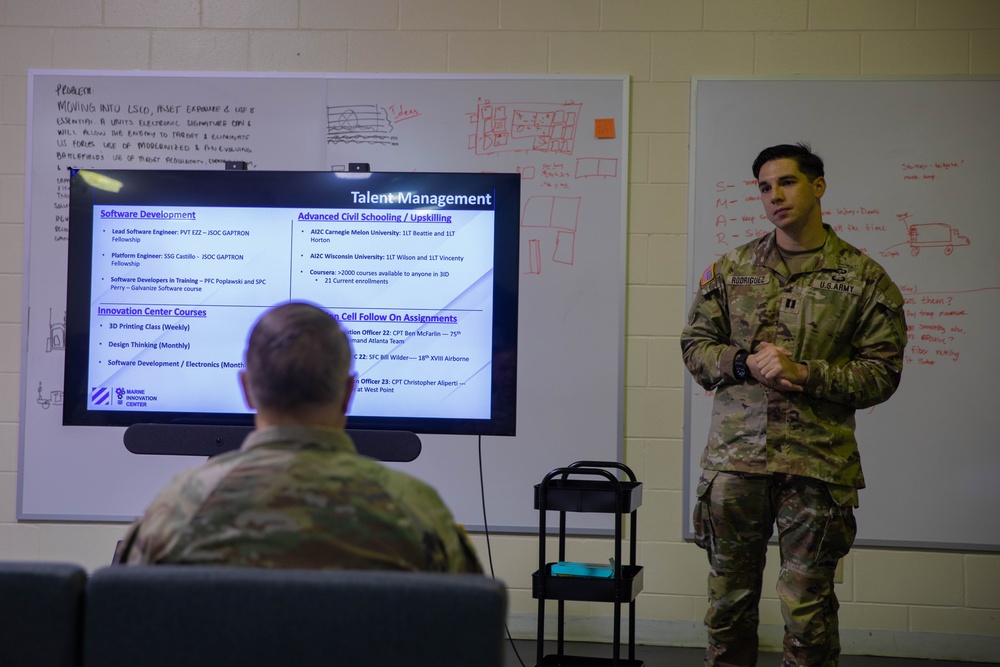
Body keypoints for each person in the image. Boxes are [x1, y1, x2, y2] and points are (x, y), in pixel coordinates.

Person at [681, 143, 906, 666]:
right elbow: (695, 348)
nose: (774, 196)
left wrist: (804, 373)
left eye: (787, 182)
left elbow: (882, 374)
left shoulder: (863, 279)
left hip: (817, 466)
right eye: (764, 187)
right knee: (727, 607)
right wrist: (742, 364)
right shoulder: (733, 269)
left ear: (817, 186)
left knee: (808, 612)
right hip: (736, 463)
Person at [119, 301, 482, 573]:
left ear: (246, 389)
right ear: (348, 392)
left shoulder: (176, 508)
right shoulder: (417, 510)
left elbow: (129, 630)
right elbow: (467, 633)